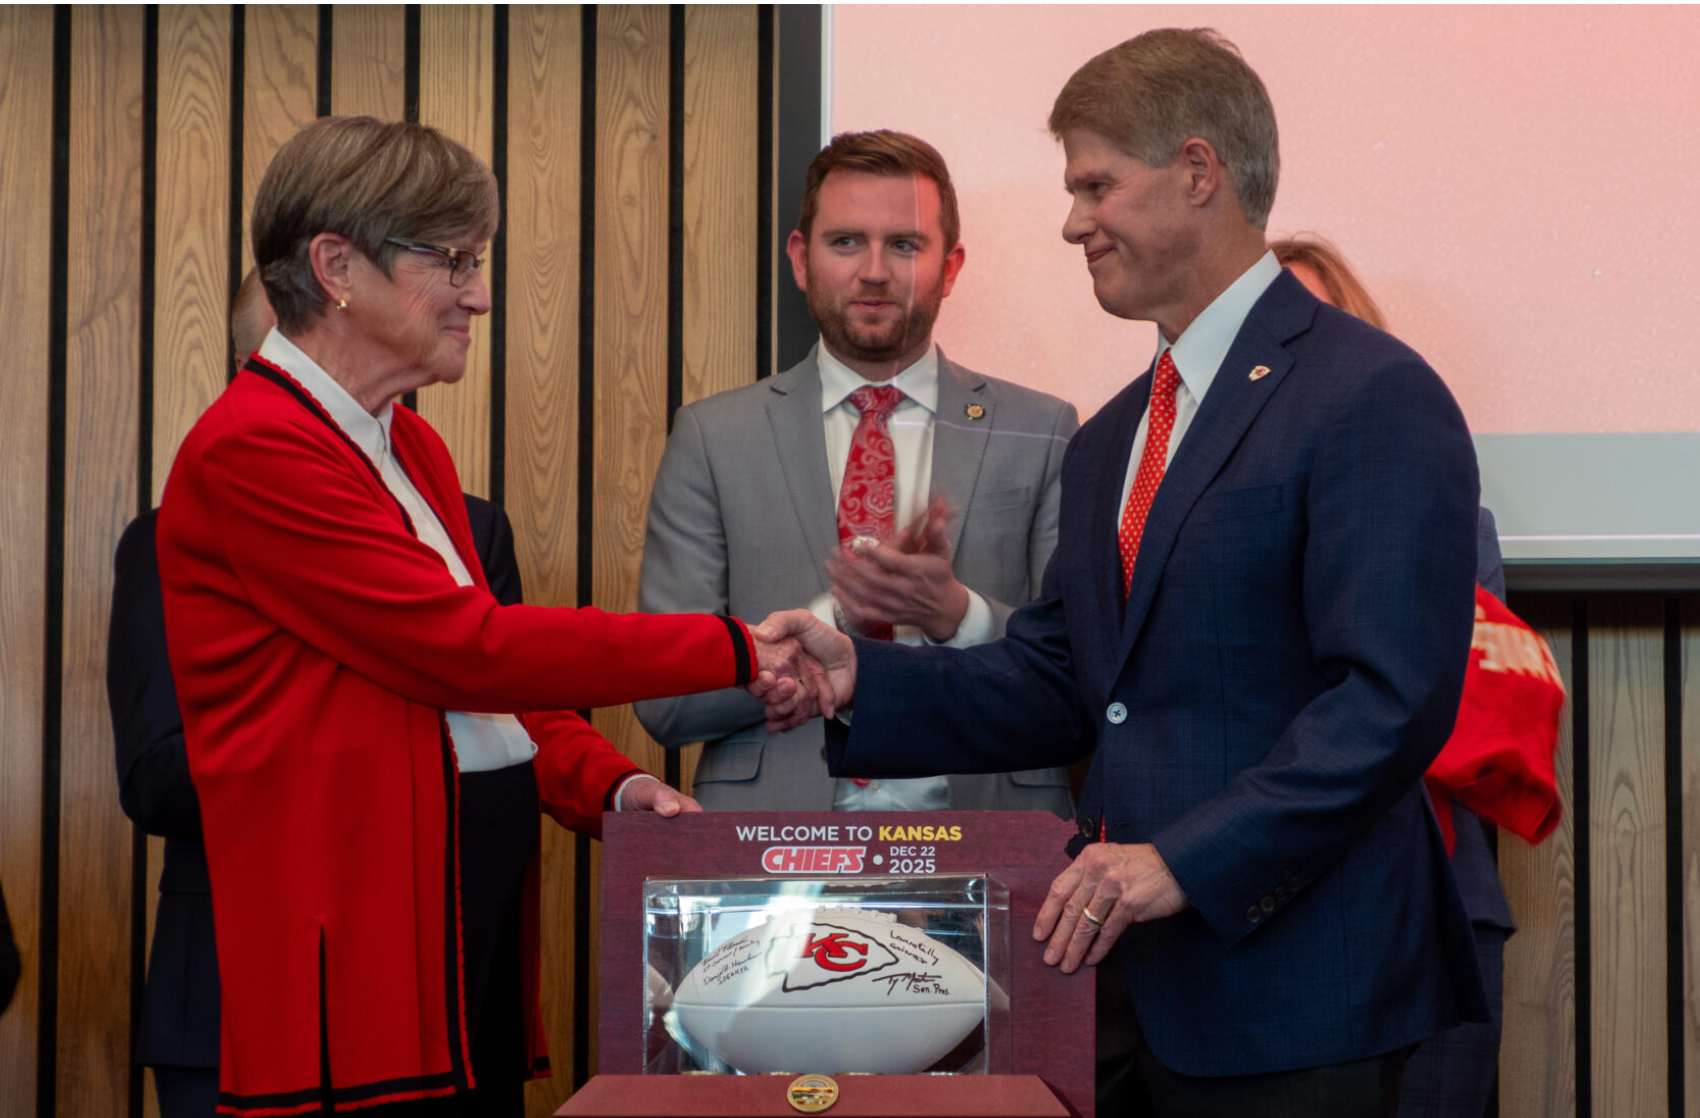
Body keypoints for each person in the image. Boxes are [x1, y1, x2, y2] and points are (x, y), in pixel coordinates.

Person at [753, 29, 1488, 1115]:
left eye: (1094, 183)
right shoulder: (1109, 441)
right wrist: (860, 676)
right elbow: (1062, 674)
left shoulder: (1366, 391)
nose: (1069, 221)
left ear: (1197, 172)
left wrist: (1181, 860)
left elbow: (1387, 700)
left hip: (1303, 1006)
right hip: (1125, 1005)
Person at [154, 117, 804, 1117]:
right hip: (362, 949)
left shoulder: (408, 446)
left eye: (478, 259)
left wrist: (614, 785)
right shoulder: (257, 446)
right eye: (450, 260)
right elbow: (467, 650)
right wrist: (729, 645)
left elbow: (484, 703)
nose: (480, 293)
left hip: (462, 919)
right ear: (336, 265)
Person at [635, 130, 1077, 815]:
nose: (874, 270)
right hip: (773, 858)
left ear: (951, 267)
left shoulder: (1044, 430)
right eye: (845, 242)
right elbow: (667, 697)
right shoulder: (713, 438)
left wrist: (957, 616)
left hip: (992, 841)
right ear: (800, 259)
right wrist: (830, 617)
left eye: (904, 244)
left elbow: (1082, 669)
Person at [1271, 234, 1516, 1118]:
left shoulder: (1457, 519)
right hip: (1263, 918)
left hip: (1435, 901)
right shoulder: (1174, 521)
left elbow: (1428, 701)